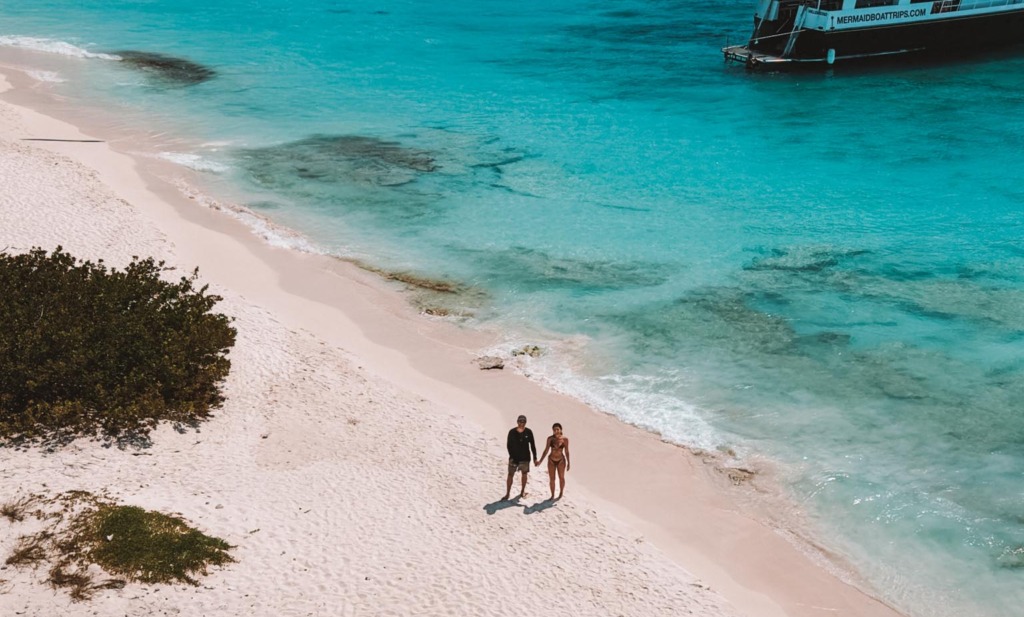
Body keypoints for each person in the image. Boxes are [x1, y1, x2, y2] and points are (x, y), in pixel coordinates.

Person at [503, 414, 537, 500]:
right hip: (514, 458)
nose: (522, 423)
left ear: (525, 422)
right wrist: (512, 456)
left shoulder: (529, 432)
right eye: (520, 421)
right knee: (510, 475)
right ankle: (507, 493)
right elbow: (508, 445)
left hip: (525, 458)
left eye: (524, 421)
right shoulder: (512, 432)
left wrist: (535, 458)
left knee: (524, 474)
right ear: (517, 422)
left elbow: (532, 445)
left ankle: (522, 491)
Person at [536, 422, 570, 500]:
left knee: (561, 478)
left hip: (561, 460)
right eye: (554, 430)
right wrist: (540, 461)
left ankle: (561, 492)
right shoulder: (550, 439)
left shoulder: (565, 439)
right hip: (551, 460)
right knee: (552, 479)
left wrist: (568, 462)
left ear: (561, 430)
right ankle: (552, 495)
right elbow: (546, 450)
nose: (556, 431)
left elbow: (567, 451)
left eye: (557, 429)